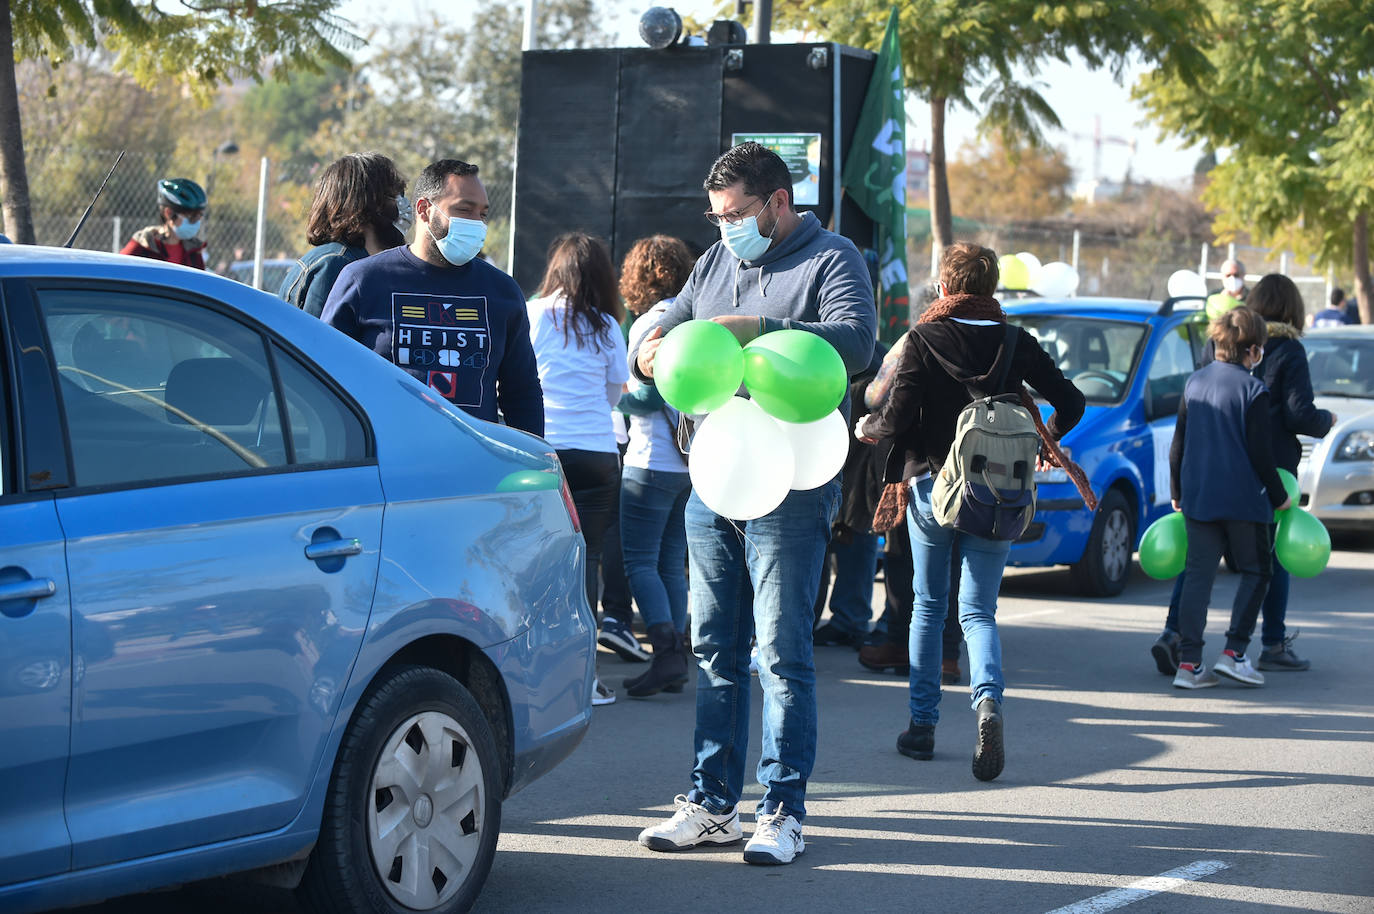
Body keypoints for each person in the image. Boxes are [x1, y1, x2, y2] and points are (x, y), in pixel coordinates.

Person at [631, 142, 875, 866]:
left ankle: (781, 810)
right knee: (714, 650)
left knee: (781, 654)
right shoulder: (715, 262)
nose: (724, 227)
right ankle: (711, 805)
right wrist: (652, 341)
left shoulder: (833, 259)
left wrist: (763, 331)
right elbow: (670, 316)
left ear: (777, 202)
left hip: (791, 487)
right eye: (715, 217)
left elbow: (857, 343)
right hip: (714, 478)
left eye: (735, 214)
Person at [856, 242, 1084, 781]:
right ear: (992, 289)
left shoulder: (921, 339)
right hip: (999, 491)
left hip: (933, 488)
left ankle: (922, 728)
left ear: (942, 286)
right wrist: (1044, 441)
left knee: (929, 607)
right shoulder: (1015, 341)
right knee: (978, 611)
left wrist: (869, 429)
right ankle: (987, 705)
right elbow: (1071, 400)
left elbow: (897, 414)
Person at [1151, 275, 1334, 674]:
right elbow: (1295, 416)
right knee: (1268, 562)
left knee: (1198, 563)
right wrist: (1325, 421)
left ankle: (1177, 639)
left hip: (1207, 470)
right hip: (1266, 475)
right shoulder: (1283, 356)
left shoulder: (1210, 360)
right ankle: (1263, 644)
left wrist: (1178, 486)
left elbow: (1186, 428)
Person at [320, 158, 543, 436]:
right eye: (464, 210)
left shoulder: (502, 291)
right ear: (424, 210)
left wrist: (533, 461)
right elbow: (325, 380)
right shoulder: (364, 280)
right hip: (388, 461)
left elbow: (521, 391)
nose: (476, 223)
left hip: (472, 463)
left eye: (482, 214)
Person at [526, 232, 630, 706]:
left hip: (545, 451)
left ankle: (535, 674)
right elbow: (614, 393)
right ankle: (586, 679)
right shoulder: (608, 324)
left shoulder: (534, 312)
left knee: (539, 560)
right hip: (598, 453)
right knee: (587, 563)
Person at [1169, 306, 1291, 689]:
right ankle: (1234, 653)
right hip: (1245, 502)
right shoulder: (1254, 390)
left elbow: (1178, 446)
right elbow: (1261, 454)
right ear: (1253, 350)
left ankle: (1188, 665)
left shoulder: (1194, 382)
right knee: (1258, 571)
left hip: (1199, 497)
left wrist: (1177, 492)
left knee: (1197, 577)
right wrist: (1279, 495)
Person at [614, 235, 697, 697]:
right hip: (689, 463)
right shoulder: (693, 319)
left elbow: (647, 396)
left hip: (649, 461)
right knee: (670, 561)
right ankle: (676, 654)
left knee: (639, 561)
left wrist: (616, 399)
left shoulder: (650, 322)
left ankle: (665, 654)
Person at [278, 153, 410, 316]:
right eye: (392, 197)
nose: (404, 205)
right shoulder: (336, 265)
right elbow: (318, 339)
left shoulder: (361, 260)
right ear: (365, 203)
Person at [120, 178, 209, 269]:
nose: (196, 222)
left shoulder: (194, 251)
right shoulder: (144, 244)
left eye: (199, 216)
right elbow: (118, 272)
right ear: (169, 213)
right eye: (191, 217)